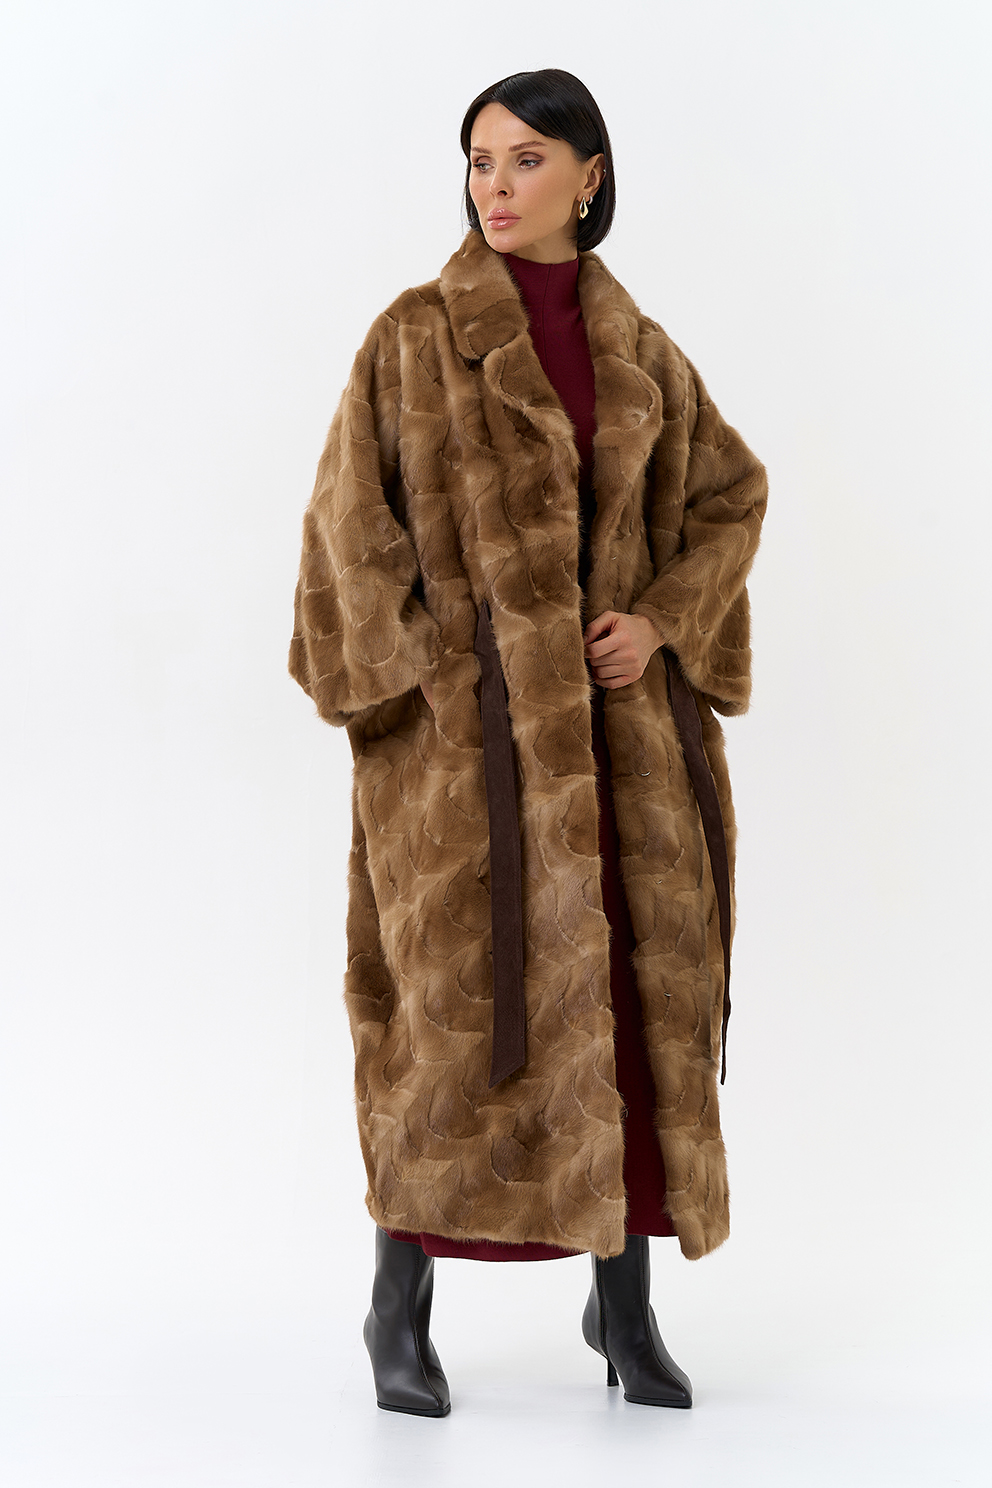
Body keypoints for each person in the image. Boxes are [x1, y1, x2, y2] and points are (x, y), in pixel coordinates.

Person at [288, 68, 768, 1417]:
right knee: (444, 1026)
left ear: (589, 177)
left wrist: (661, 623)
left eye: (526, 159)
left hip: (623, 760)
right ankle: (397, 1309)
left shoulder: (643, 351)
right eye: (480, 161)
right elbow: (346, 528)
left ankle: (624, 1308)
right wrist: (428, 689)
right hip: (468, 769)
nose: (495, 186)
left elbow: (732, 495)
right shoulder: (413, 338)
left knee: (628, 1005)